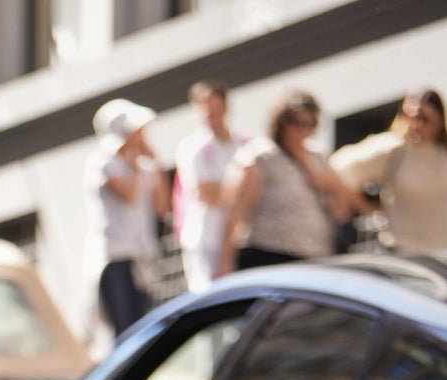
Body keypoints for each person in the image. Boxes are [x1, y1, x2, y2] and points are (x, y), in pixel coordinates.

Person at [218, 90, 362, 273]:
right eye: (297, 123)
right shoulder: (260, 157)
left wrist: (333, 186)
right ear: (282, 122)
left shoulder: (318, 158)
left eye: (310, 124)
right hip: (268, 258)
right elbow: (235, 214)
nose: (303, 130)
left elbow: (341, 213)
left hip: (315, 258)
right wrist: (224, 265)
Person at [85, 99, 170, 338]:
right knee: (123, 330)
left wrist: (156, 163)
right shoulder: (101, 163)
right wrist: (133, 163)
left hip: (142, 259)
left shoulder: (145, 167)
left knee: (142, 330)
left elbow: (161, 208)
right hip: (115, 260)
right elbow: (128, 195)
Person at [330, 89, 447, 254]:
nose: (415, 124)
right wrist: (366, 206)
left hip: (441, 258)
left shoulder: (443, 154)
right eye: (408, 117)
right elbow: (338, 168)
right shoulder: (393, 149)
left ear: (440, 120)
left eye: (423, 118)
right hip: (400, 254)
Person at [175, 79, 245, 291]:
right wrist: (243, 192)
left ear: (225, 106)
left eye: (215, 108)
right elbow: (207, 193)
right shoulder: (192, 147)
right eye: (205, 109)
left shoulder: (244, 143)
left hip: (240, 239)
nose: (211, 115)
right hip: (207, 241)